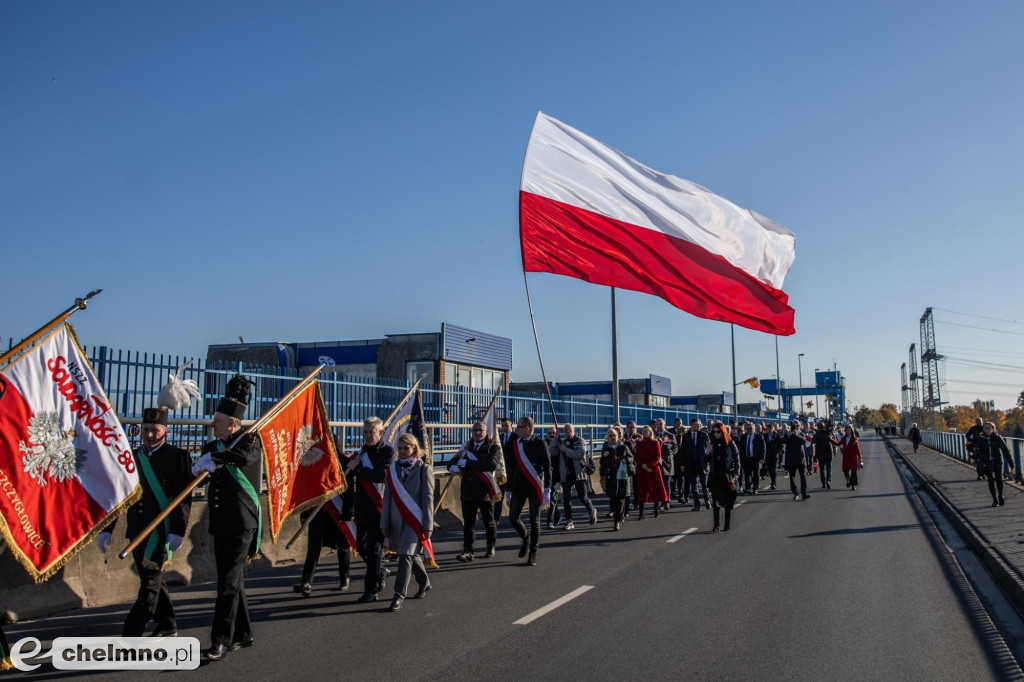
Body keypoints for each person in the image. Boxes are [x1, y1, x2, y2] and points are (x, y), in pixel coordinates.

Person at [99, 402, 192, 637]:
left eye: (155, 430)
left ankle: (131, 636)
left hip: (161, 533)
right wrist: (107, 529)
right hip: (137, 531)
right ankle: (167, 624)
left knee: (149, 587)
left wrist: (178, 530)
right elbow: (119, 497)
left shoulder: (178, 457)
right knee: (154, 582)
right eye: (146, 430)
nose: (150, 435)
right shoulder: (132, 457)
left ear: (166, 431)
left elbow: (184, 497)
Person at [192, 375, 261, 662]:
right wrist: (196, 471)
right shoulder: (211, 449)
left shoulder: (250, 440)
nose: (213, 425)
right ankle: (244, 633)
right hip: (220, 523)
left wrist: (219, 459)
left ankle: (220, 639)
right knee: (231, 579)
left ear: (232, 423)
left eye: (217, 422)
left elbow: (244, 459)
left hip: (243, 523)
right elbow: (197, 477)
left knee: (227, 583)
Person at [347, 416, 397, 604]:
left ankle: (371, 590)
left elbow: (382, 475)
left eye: (372, 432)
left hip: (380, 508)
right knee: (361, 547)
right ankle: (381, 571)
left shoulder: (388, 452)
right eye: (365, 432)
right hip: (362, 508)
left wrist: (358, 470)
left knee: (376, 550)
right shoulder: (360, 454)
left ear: (381, 433)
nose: (368, 436)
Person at [381, 433, 433, 612]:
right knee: (411, 554)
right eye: (400, 448)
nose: (403, 451)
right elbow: (387, 498)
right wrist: (384, 523)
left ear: (414, 449)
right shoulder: (392, 470)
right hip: (397, 520)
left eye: (406, 448)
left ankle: (398, 595)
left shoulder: (423, 469)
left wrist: (428, 525)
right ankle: (424, 581)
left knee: (404, 555)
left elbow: (428, 499)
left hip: (415, 520)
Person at [294, 445, 355, 597]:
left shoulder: (345, 463)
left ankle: (344, 577)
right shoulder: (314, 463)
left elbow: (349, 491)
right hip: (318, 511)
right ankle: (306, 582)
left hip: (338, 511)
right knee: (313, 547)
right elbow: (307, 491)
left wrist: (348, 512)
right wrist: (304, 513)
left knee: (342, 545)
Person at [451, 421, 500, 562]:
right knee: (468, 523)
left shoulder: (492, 447)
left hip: (485, 491)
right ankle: (468, 551)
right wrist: (452, 467)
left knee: (489, 522)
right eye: (475, 430)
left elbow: (491, 464)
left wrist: (469, 463)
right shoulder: (467, 447)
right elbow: (454, 460)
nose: (477, 433)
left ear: (486, 432)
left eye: (480, 430)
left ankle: (491, 546)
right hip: (468, 490)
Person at [508, 417, 551, 566]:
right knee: (513, 517)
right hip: (519, 487)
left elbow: (547, 467)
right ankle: (526, 538)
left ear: (527, 428)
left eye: (518, 427)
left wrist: (547, 489)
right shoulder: (516, 444)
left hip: (534, 487)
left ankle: (533, 552)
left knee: (534, 521)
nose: (516, 429)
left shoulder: (540, 444)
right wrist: (508, 488)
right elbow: (511, 466)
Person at [558, 423, 598, 529]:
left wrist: (565, 450)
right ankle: (569, 520)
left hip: (579, 473)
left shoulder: (580, 441)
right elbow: (553, 451)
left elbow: (579, 454)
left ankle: (591, 510)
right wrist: (555, 439)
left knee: (583, 497)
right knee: (566, 498)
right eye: (565, 431)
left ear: (574, 430)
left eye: (569, 430)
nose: (567, 432)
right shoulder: (562, 442)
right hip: (566, 474)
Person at [706, 422, 739, 531]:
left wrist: (737, 473)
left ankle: (727, 525)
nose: (716, 434)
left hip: (727, 475)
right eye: (714, 431)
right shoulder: (711, 443)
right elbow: (705, 459)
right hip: (715, 475)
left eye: (718, 431)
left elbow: (736, 457)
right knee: (715, 501)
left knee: (728, 501)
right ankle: (716, 525)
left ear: (723, 431)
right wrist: (707, 452)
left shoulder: (730, 442)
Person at [600, 427, 635, 530]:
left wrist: (626, 460)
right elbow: (602, 463)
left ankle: (617, 521)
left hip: (622, 476)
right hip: (611, 476)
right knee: (613, 498)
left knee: (621, 497)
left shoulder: (623, 447)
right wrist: (604, 456)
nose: (612, 437)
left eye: (614, 435)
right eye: (610, 436)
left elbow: (631, 457)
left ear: (618, 436)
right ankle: (621, 517)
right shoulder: (606, 447)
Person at [634, 427, 669, 519]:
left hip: (653, 468)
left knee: (656, 489)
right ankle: (641, 513)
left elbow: (657, 457)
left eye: (647, 431)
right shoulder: (639, 444)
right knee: (641, 490)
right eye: (643, 431)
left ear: (650, 432)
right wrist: (643, 465)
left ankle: (656, 510)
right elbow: (636, 457)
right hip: (642, 469)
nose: (645, 433)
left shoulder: (655, 442)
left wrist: (649, 466)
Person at [974, 422, 1012, 507]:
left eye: (989, 428)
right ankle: (994, 499)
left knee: (999, 480)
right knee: (990, 480)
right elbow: (977, 450)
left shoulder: (997, 438)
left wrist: (1011, 463)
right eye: (985, 428)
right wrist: (976, 457)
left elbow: (1005, 450)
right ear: (983, 429)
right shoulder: (981, 438)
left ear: (993, 428)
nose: (987, 430)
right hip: (986, 462)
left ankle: (1000, 496)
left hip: (997, 462)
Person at [678, 419, 711, 511]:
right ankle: (697, 505)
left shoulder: (704, 435)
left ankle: (707, 500)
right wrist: (682, 464)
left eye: (700, 424)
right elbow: (683, 451)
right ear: (692, 425)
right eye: (697, 424)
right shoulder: (686, 436)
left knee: (704, 484)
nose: (699, 426)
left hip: (702, 463)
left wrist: (707, 461)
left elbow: (709, 448)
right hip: (691, 464)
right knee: (694, 485)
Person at [496, 417, 517, 523]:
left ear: (511, 425)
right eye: (503, 425)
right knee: (499, 495)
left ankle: (514, 517)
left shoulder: (516, 438)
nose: (504, 427)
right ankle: (496, 518)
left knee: (513, 497)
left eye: (507, 425)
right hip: (502, 472)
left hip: (513, 471)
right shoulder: (499, 438)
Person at [784, 422, 810, 501]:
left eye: (796, 427)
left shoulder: (801, 434)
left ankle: (804, 493)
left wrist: (797, 435)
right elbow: (781, 441)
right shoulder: (788, 435)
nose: (794, 430)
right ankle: (795, 492)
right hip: (791, 459)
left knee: (803, 477)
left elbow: (803, 441)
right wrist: (788, 436)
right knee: (792, 477)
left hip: (800, 459)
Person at [654, 419, 676, 510]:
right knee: (658, 484)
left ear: (664, 425)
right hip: (656, 463)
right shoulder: (653, 435)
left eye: (660, 424)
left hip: (667, 462)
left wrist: (669, 450)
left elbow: (675, 448)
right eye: (657, 424)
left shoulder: (670, 435)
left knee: (666, 483)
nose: (659, 426)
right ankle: (660, 501)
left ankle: (666, 502)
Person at [740, 422, 766, 495]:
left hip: (755, 458)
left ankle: (755, 488)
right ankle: (748, 488)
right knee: (747, 474)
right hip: (747, 458)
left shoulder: (759, 436)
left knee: (755, 474)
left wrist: (762, 458)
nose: (749, 430)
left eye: (750, 428)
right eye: (747, 428)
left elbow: (763, 448)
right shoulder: (743, 437)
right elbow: (741, 448)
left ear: (754, 428)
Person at [544, 427, 563, 528]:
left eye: (553, 433)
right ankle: (557, 516)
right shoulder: (544, 444)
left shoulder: (560, 443)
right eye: (549, 433)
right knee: (550, 498)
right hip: (546, 475)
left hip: (557, 475)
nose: (551, 434)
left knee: (552, 498)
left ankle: (549, 521)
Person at [812, 422, 840, 489]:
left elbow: (812, 441)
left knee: (822, 469)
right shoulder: (827, 433)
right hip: (828, 453)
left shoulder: (816, 435)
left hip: (820, 453)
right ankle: (828, 481)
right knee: (829, 468)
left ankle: (823, 483)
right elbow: (833, 441)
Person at [839, 426, 862, 491]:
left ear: (852, 431)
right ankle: (848, 480)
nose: (848, 431)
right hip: (846, 456)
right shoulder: (843, 438)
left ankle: (853, 485)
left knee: (853, 471)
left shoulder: (854, 439)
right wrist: (830, 439)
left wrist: (860, 459)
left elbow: (858, 449)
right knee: (845, 470)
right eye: (847, 430)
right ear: (845, 431)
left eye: (849, 430)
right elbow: (838, 443)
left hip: (853, 457)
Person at [764, 424, 783, 490]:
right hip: (767, 455)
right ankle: (772, 480)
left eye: (767, 428)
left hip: (774, 455)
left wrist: (777, 451)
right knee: (769, 469)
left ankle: (773, 482)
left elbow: (781, 446)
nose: (766, 430)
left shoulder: (777, 436)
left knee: (773, 469)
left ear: (771, 429)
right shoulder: (765, 436)